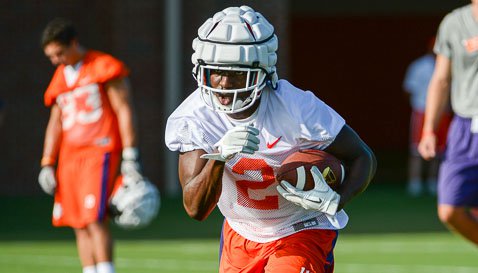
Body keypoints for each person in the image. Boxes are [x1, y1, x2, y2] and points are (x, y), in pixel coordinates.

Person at [165, 6, 377, 272]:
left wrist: (338, 199)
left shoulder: (297, 108)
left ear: (262, 71)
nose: (222, 83)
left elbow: (363, 157)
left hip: (300, 228)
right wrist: (219, 157)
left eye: (235, 72)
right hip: (241, 231)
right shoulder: (194, 118)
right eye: (215, 71)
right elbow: (195, 208)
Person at [38, 18, 143, 273]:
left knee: (94, 218)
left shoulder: (103, 66)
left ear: (73, 43)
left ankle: (106, 269)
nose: (55, 60)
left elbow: (123, 109)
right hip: (69, 157)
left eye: (59, 53)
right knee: (77, 222)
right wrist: (47, 163)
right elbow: (56, 123)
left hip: (100, 150)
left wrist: (130, 155)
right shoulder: (60, 76)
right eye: (51, 56)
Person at [418, 1, 478, 245]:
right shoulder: (454, 23)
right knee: (449, 209)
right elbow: (441, 79)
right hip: (465, 127)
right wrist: (429, 129)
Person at [403, 37, 452, 196]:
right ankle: (415, 182)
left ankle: (433, 181)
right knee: (417, 148)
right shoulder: (419, 66)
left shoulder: (447, 65)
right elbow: (409, 88)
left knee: (439, 149)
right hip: (421, 110)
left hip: (442, 112)